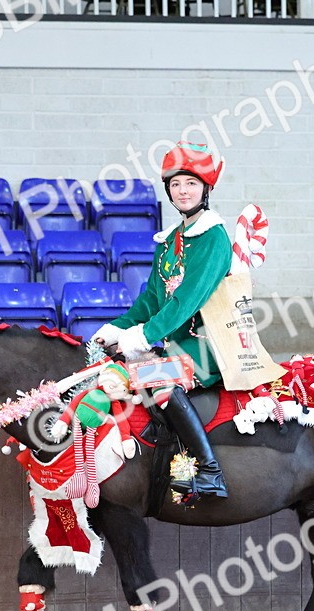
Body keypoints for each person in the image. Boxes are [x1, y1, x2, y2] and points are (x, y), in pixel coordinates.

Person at [92, 141, 232, 498]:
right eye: (176, 184)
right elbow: (151, 299)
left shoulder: (213, 237)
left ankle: (209, 470)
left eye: (191, 183)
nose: (183, 191)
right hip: (176, 345)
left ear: (206, 188)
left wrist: (144, 336)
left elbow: (187, 300)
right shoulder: (169, 241)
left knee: (158, 382)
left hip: (210, 346)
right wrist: (118, 328)